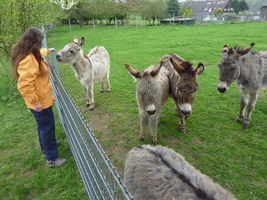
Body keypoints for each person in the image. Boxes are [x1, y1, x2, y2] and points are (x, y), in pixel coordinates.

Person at [11, 27, 67, 167]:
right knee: (47, 128)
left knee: (43, 127)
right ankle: (52, 159)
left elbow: (40, 53)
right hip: (40, 103)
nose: (42, 44)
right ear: (35, 42)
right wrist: (35, 102)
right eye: (40, 41)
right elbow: (24, 85)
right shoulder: (29, 59)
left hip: (42, 100)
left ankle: (46, 147)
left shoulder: (32, 53)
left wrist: (48, 51)